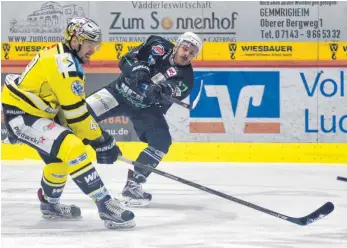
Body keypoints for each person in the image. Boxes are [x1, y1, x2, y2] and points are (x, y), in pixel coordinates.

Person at [1, 17, 135, 229]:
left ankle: (50, 205)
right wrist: (102, 140)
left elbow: (68, 112)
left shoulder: (63, 56)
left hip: (34, 113)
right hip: (22, 115)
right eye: (89, 43)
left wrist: (97, 139)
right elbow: (75, 115)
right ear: (74, 39)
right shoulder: (64, 65)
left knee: (59, 161)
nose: (93, 49)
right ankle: (106, 204)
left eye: (96, 44)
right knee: (71, 146)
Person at [86, 32, 202, 207]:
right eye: (185, 48)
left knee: (161, 141)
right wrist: (136, 70)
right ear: (177, 45)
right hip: (118, 93)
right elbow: (125, 60)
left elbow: (171, 91)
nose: (187, 54)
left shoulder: (186, 78)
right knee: (79, 115)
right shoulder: (157, 44)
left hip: (145, 109)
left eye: (192, 53)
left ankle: (134, 184)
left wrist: (160, 91)